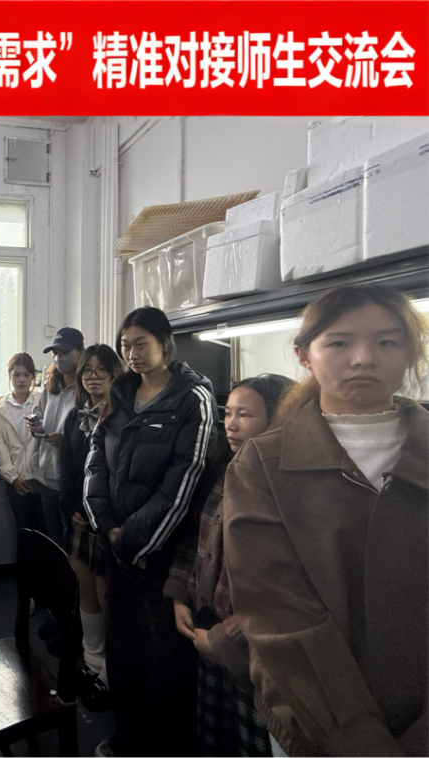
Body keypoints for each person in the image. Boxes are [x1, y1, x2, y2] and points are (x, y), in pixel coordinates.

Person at [223, 285, 429, 758]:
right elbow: (278, 614)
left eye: (387, 341)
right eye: (339, 342)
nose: (363, 358)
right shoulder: (262, 464)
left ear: (410, 353)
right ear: (304, 355)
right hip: (314, 717)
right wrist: (363, 741)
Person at [85, 306, 218, 758]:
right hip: (118, 551)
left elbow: (184, 483)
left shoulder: (192, 398)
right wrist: (107, 528)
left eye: (141, 343)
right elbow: (95, 466)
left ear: (165, 343)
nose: (132, 353)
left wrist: (131, 541)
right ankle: (127, 740)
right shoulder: (120, 393)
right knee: (124, 654)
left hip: (161, 558)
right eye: (126, 345)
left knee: (165, 664)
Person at [165, 374, 294, 758]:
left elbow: (282, 590)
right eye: (228, 413)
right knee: (215, 740)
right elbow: (194, 538)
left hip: (255, 656)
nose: (231, 424)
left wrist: (225, 640)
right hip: (209, 631)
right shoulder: (224, 469)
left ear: (277, 419)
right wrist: (180, 595)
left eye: (245, 415)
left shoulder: (286, 488)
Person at [60, 344, 124, 711]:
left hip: (106, 520)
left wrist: (102, 514)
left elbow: (120, 475)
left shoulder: (121, 416)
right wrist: (70, 507)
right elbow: (67, 466)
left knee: (105, 593)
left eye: (101, 370)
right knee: (83, 587)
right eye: (87, 370)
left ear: (115, 374)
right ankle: (91, 660)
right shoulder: (75, 417)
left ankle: (109, 674)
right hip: (79, 519)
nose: (93, 376)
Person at [36, 327, 85, 543]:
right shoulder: (50, 388)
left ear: (80, 352)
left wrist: (64, 441)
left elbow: (90, 436)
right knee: (53, 542)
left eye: (64, 352)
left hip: (72, 484)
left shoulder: (86, 390)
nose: (58, 358)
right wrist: (36, 428)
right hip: (47, 479)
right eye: (55, 353)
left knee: (72, 545)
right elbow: (39, 415)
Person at [0, 352, 44, 537]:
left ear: (33, 377)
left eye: (26, 375)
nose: (21, 380)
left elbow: (46, 442)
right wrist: (13, 478)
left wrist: (39, 476)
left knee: (46, 534)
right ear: (9, 376)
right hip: (16, 482)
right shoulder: (0, 408)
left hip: (42, 482)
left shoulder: (41, 402)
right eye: (16, 374)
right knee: (23, 532)